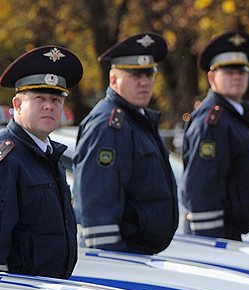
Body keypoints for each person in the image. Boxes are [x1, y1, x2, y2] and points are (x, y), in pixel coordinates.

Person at [0, 45, 83, 278]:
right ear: (17, 105)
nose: (49, 106)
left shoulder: (47, 155)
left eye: (56, 99)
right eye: (39, 98)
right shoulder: (2, 161)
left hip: (48, 288)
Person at [73, 33, 178, 254]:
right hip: (121, 256)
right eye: (135, 75)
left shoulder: (136, 120)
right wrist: (111, 261)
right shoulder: (109, 125)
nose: (144, 82)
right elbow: (98, 203)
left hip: (137, 253)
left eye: (149, 74)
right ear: (113, 80)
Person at [180, 31, 249, 240]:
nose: (237, 77)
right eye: (228, 71)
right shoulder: (213, 122)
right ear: (212, 77)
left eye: (242, 71)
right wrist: (211, 243)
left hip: (229, 232)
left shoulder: (236, 116)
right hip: (215, 235)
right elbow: (202, 187)